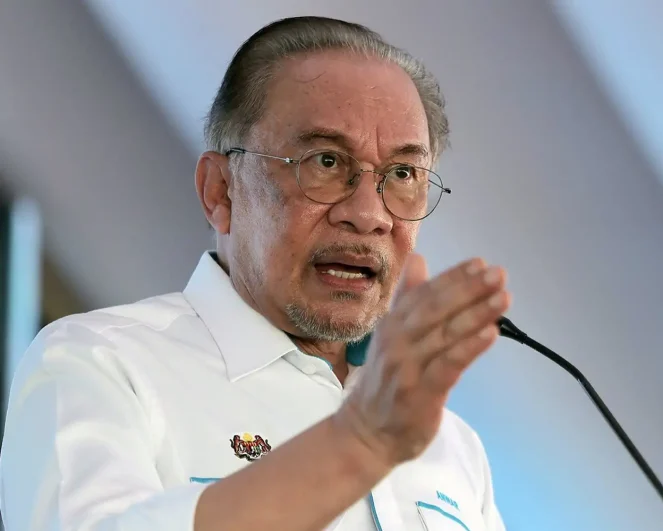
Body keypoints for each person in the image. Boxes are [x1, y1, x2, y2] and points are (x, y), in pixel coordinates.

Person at [0, 16, 511, 531]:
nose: (369, 214)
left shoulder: (454, 446)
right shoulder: (100, 364)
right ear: (220, 191)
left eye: (402, 173)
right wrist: (360, 445)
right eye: (326, 162)